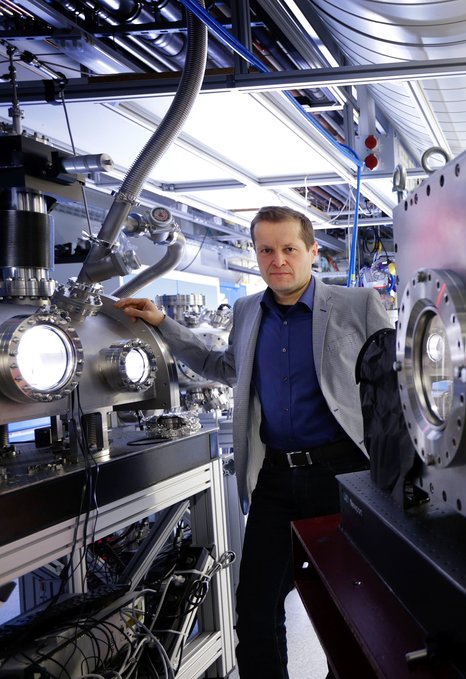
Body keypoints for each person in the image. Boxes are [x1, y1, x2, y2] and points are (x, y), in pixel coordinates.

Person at [115, 205, 392, 678]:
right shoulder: (246, 311)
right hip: (277, 479)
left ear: (311, 253)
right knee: (256, 610)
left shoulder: (357, 304)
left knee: (350, 605)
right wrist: (164, 324)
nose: (277, 259)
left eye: (288, 249)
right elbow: (222, 367)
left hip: (344, 474)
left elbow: (393, 384)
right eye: (266, 249)